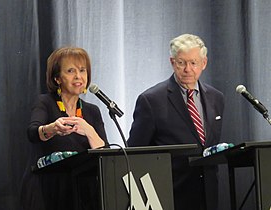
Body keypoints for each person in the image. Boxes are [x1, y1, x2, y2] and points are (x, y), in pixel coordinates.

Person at [128, 34, 224, 210]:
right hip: (170, 194)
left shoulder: (216, 98)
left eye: (193, 63)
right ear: (172, 63)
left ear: (204, 63)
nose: (188, 69)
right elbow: (134, 153)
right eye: (181, 63)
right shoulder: (151, 100)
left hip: (208, 193)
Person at [21, 47, 108, 210]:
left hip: (82, 194)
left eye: (82, 70)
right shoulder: (45, 103)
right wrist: (52, 128)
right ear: (57, 78)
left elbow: (105, 154)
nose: (78, 76)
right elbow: (33, 133)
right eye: (70, 71)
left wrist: (88, 130)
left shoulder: (92, 111)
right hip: (48, 191)